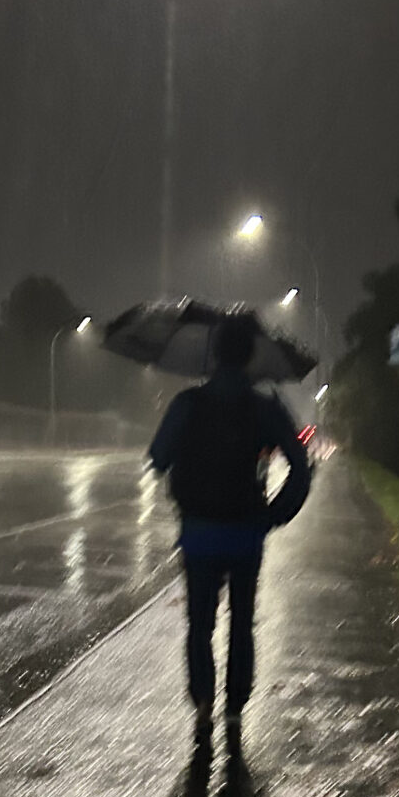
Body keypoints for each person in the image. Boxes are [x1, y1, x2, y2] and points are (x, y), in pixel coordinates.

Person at [148, 315, 312, 742]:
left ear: (214, 354)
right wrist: (275, 514)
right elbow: (300, 465)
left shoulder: (188, 403)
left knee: (200, 622)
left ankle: (203, 702)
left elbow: (159, 457)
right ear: (251, 356)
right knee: (242, 621)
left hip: (199, 533)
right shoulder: (265, 407)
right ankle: (236, 708)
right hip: (246, 534)